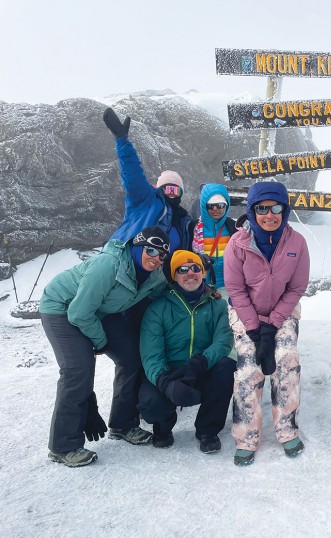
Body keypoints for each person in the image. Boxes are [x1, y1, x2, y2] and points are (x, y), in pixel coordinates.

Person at [39, 226, 171, 467]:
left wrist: (205, 293)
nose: (156, 258)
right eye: (150, 250)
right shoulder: (109, 265)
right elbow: (79, 313)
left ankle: (123, 424)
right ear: (136, 246)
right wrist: (99, 342)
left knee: (132, 358)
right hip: (62, 307)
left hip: (101, 311)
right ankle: (63, 445)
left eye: (162, 254)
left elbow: (169, 294)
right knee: (77, 369)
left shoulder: (155, 276)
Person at [224, 181, 310, 466]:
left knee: (286, 359)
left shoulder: (296, 243)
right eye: (262, 208)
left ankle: (286, 430)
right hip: (245, 313)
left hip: (282, 313)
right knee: (249, 368)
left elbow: (296, 289)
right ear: (252, 210)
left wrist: (272, 327)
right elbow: (235, 291)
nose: (269, 215)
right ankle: (246, 437)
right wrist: (254, 330)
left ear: (284, 210)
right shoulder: (237, 244)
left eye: (276, 208)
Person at [138, 250, 235, 451]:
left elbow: (223, 340)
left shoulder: (217, 304)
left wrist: (199, 363)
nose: (190, 273)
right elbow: (151, 353)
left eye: (195, 268)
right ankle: (163, 428)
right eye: (182, 269)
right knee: (150, 399)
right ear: (174, 275)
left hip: (201, 366)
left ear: (203, 273)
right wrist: (166, 383)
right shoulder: (158, 308)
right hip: (170, 371)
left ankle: (207, 430)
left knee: (227, 367)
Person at [102, 107, 195, 276]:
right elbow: (132, 174)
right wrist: (123, 142)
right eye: (167, 188)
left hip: (161, 280)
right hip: (126, 269)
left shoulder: (183, 219)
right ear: (157, 188)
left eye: (176, 189)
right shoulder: (145, 199)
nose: (171, 193)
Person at [192, 183, 236, 290]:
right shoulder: (193, 228)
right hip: (202, 286)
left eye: (220, 205)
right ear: (204, 205)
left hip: (229, 286)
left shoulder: (233, 227)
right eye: (211, 206)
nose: (215, 209)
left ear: (226, 205)